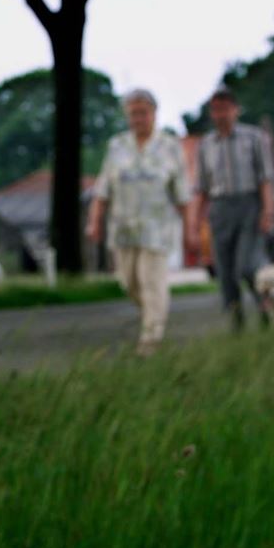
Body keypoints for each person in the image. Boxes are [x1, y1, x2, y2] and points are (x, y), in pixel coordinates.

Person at [85, 89, 192, 356]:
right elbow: (102, 189)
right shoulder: (117, 145)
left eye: (143, 113)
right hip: (122, 228)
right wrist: (94, 221)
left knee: (151, 281)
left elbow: (183, 194)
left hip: (157, 228)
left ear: (154, 114)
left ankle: (151, 339)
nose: (138, 118)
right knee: (129, 283)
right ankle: (153, 317)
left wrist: (191, 230)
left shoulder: (169, 146)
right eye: (133, 113)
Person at [189, 86, 274, 330]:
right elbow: (200, 189)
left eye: (225, 109)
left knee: (247, 264)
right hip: (220, 209)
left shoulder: (254, 138)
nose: (221, 114)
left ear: (235, 110)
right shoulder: (206, 145)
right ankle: (235, 320)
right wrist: (195, 225)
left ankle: (266, 307)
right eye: (216, 110)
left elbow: (265, 178)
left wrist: (267, 211)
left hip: (249, 206)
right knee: (225, 271)